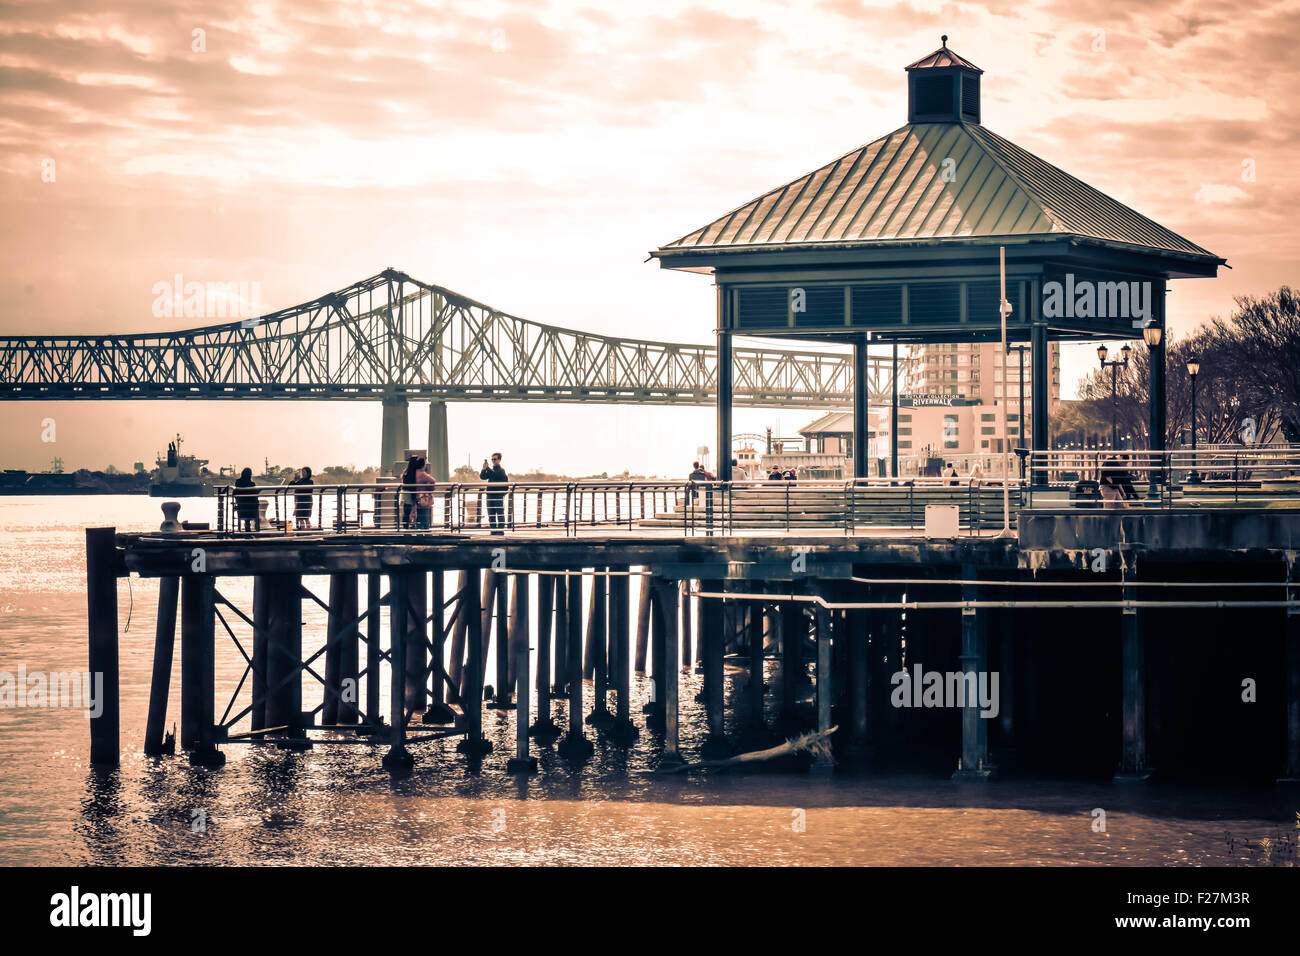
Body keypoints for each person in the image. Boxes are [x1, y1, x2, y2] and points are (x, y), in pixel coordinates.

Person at [482, 452, 508, 534]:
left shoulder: (501, 470)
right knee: (491, 514)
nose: (493, 461)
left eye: (495, 459)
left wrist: (487, 468)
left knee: (500, 513)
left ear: (499, 460)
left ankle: (500, 531)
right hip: (490, 494)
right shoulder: (491, 470)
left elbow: (495, 474)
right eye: (492, 459)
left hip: (498, 495)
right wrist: (483, 469)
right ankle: (493, 531)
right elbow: (482, 477)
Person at [232, 467, 259, 531]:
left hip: (241, 507)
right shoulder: (252, 484)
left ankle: (247, 529)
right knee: (254, 506)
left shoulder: (238, 482)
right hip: (252, 509)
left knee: (247, 507)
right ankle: (256, 530)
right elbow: (254, 496)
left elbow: (235, 494)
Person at [401, 456, 424, 529]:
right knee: (411, 511)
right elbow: (413, 486)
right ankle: (409, 526)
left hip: (405, 493)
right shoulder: (413, 473)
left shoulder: (406, 472)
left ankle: (405, 527)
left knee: (406, 511)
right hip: (410, 493)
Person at [414, 458, 435, 529]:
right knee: (425, 515)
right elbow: (433, 480)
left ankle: (419, 530)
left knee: (419, 515)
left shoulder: (413, 472)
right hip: (423, 498)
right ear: (423, 465)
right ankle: (426, 531)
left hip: (416, 497)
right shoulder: (422, 474)